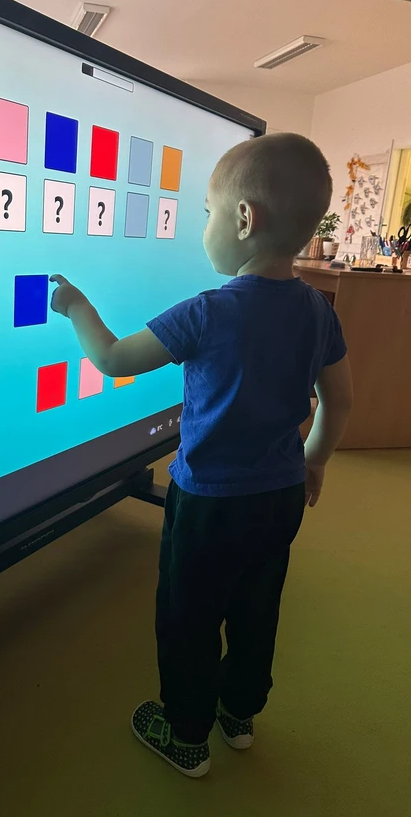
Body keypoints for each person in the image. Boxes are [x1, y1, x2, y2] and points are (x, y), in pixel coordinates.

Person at [50, 133, 353, 778]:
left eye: (208, 213)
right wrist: (315, 460)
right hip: (280, 496)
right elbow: (341, 400)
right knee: (256, 607)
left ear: (244, 219)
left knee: (188, 616)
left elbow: (112, 359)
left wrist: (76, 306)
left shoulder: (208, 313)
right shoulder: (317, 311)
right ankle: (238, 715)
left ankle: (186, 734)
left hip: (209, 504)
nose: (204, 227)